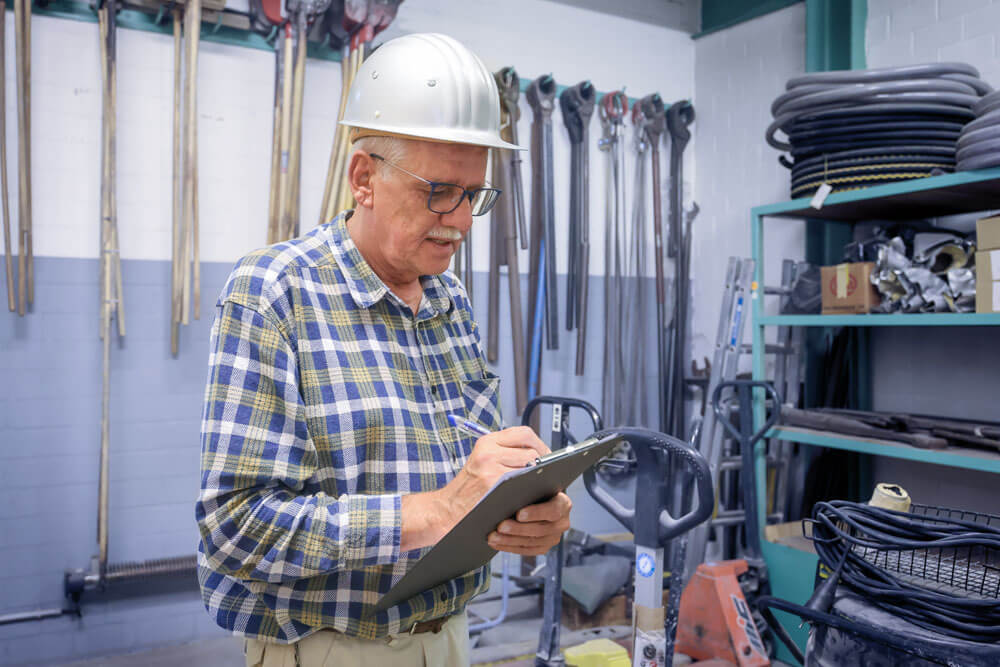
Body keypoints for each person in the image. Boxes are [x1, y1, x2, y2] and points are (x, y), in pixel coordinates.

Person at [195, 33, 572, 667]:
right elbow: (237, 526)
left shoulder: (449, 297)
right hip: (329, 649)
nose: (459, 221)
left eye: (473, 194)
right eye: (438, 191)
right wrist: (436, 511)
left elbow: (467, 487)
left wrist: (521, 512)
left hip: (450, 638)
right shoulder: (274, 293)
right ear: (363, 177)